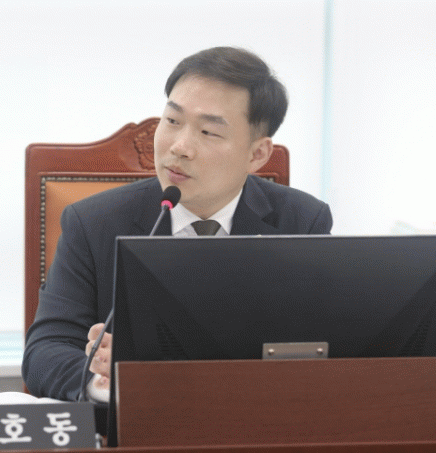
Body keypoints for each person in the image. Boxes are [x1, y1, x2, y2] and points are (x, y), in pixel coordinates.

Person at [22, 46, 333, 404]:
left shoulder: (301, 221)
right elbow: (47, 350)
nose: (180, 147)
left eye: (209, 132)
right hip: (131, 424)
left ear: (257, 154)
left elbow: (321, 350)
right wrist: (107, 384)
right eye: (172, 121)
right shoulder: (93, 222)